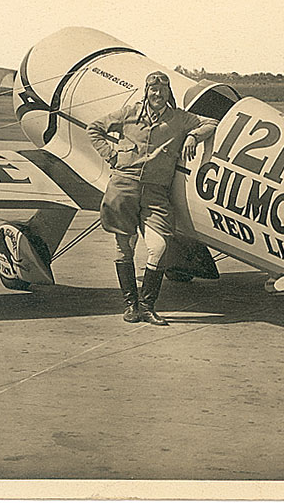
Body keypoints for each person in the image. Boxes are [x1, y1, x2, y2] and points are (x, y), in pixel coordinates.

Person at [87, 71, 217, 326]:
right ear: (146, 92)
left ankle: (147, 307)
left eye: (163, 90)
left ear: (169, 93)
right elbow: (94, 129)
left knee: (159, 247)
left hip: (156, 193)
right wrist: (112, 156)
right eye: (153, 90)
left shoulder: (179, 118)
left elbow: (210, 122)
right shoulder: (129, 114)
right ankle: (131, 306)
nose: (158, 94)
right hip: (123, 187)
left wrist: (192, 136)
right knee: (124, 247)